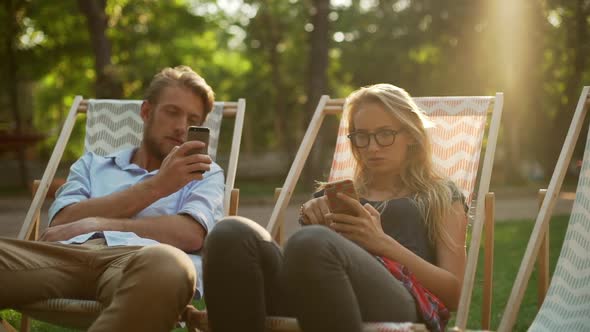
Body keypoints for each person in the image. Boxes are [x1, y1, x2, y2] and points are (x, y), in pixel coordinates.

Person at [201, 84, 468, 332]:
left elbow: (455, 293)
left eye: (385, 134)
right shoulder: (338, 195)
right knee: (229, 233)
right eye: (361, 136)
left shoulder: (440, 195)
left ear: (411, 134)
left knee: (312, 242)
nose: (372, 147)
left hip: (404, 300)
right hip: (318, 293)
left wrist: (382, 243)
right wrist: (312, 213)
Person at [0, 66, 225, 332]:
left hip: (140, 261)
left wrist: (95, 222)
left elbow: (191, 233)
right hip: (65, 254)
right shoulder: (92, 164)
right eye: (172, 112)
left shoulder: (204, 173)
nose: (180, 127)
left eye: (192, 119)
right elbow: (62, 221)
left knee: (169, 267)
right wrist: (156, 187)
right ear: (146, 112)